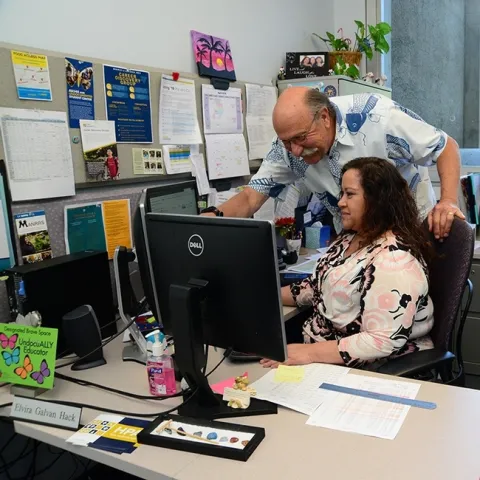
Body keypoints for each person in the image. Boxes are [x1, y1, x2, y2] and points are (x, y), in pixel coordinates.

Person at [202, 87, 464, 240]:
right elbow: (250, 198)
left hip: (409, 235)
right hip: (357, 243)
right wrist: (211, 218)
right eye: (286, 142)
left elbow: (445, 146)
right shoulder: (288, 147)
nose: (295, 150)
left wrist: (448, 200)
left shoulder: (378, 118)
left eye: (301, 138)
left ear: (325, 117)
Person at [260, 157, 434, 369]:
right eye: (342, 193)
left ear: (377, 199)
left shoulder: (395, 260)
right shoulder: (352, 238)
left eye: (350, 194)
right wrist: (260, 297)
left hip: (368, 371)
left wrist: (308, 353)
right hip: (322, 358)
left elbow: (381, 340)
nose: (341, 201)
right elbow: (315, 288)